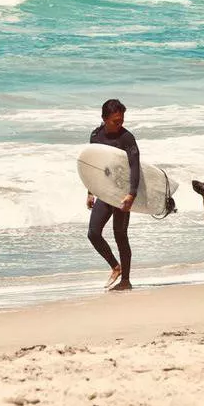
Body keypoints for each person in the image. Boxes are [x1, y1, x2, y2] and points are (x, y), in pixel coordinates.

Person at [86, 99, 140, 291]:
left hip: (122, 192)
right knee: (93, 233)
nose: (120, 124)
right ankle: (115, 267)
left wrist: (131, 194)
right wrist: (90, 191)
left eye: (122, 120)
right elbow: (93, 165)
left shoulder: (127, 138)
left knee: (120, 235)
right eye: (115, 121)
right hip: (104, 190)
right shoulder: (95, 136)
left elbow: (135, 167)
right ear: (104, 119)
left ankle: (126, 280)